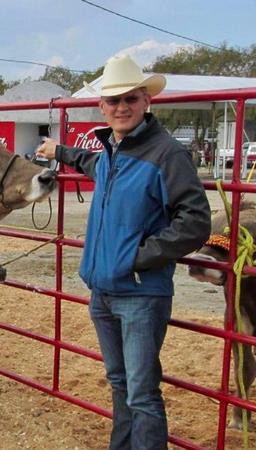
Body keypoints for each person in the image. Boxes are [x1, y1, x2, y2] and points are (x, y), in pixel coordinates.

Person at [36, 54, 211, 450]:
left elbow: (195, 221)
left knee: (142, 394)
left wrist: (137, 257)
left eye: (130, 99)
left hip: (141, 294)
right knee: (120, 383)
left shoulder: (167, 155)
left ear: (146, 101)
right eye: (113, 101)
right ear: (102, 108)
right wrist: (58, 151)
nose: (121, 107)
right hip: (104, 292)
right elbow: (89, 162)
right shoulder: (112, 153)